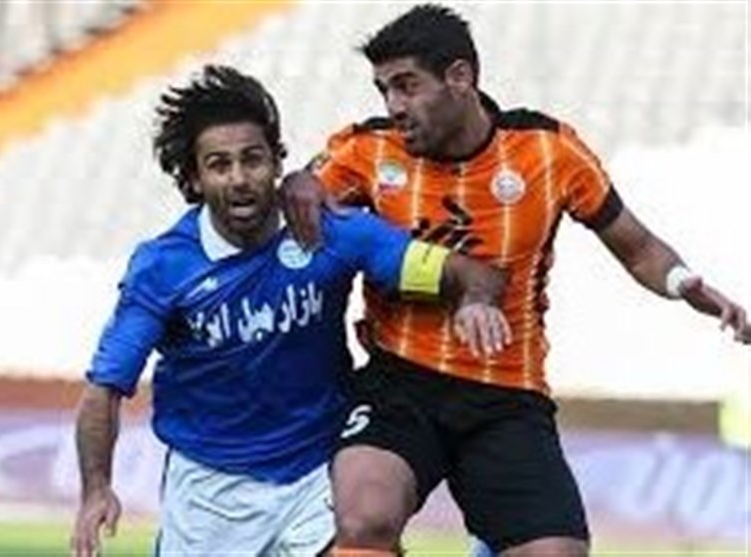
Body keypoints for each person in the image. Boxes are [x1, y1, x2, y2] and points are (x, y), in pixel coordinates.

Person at [280, 5, 751, 557]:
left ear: (460, 77)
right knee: (365, 518)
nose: (394, 107)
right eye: (384, 90)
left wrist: (685, 282)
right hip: (398, 382)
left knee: (556, 553)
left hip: (505, 391)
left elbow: (638, 247)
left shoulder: (548, 152)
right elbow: (289, 202)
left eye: (407, 86)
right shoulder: (367, 149)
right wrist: (298, 180)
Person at [68, 64, 512, 557]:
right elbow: (104, 389)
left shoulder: (332, 232)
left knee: (365, 536)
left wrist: (474, 297)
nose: (240, 178)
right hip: (210, 492)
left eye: (252, 159)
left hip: (316, 471)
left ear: (278, 161)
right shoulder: (163, 267)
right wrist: (96, 489)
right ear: (194, 177)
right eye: (219, 165)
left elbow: (471, 272)